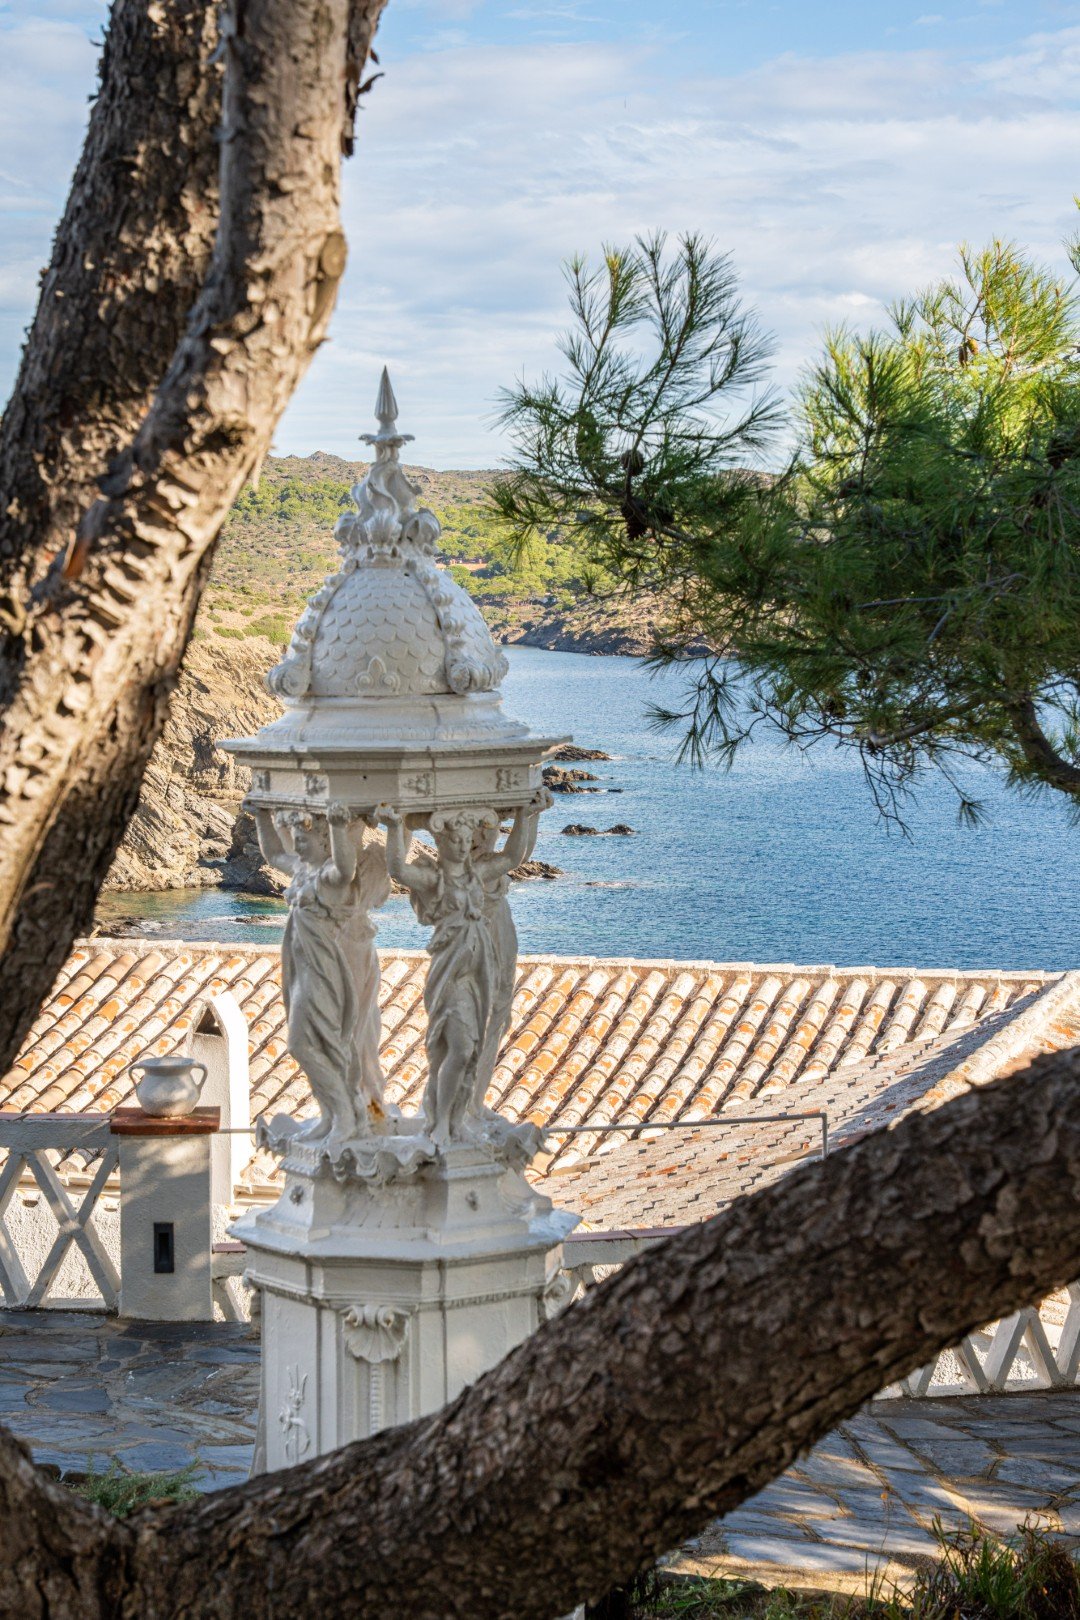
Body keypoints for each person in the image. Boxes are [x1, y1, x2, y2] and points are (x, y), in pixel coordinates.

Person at [253, 803, 390, 1140]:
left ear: (326, 843)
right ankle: (333, 1114)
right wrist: (259, 816)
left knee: (309, 1041)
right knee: (309, 1041)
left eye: (305, 836)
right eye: (297, 834)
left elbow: (346, 867)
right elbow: (272, 854)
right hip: (303, 966)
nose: (297, 840)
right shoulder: (302, 870)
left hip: (325, 968)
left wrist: (340, 826)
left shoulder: (331, 878)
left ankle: (347, 1113)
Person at [379, 805, 495, 1149]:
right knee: (458, 1048)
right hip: (451, 974)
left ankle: (452, 1118)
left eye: (466, 839)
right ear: (441, 843)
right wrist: (397, 825)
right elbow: (398, 868)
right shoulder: (434, 879)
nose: (462, 846)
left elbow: (516, 855)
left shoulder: (476, 876)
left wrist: (529, 817)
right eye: (454, 840)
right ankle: (442, 1121)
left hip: (477, 974)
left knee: (469, 1049)